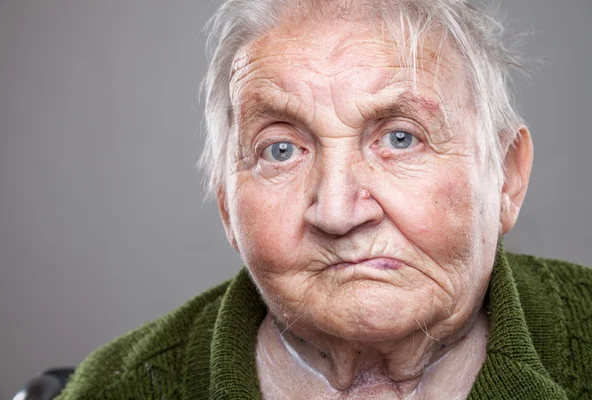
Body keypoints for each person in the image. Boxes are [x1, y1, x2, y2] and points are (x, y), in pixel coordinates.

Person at [56, 0, 592, 399]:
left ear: (506, 178)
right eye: (281, 150)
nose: (337, 212)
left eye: (400, 138)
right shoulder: (117, 387)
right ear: (226, 206)